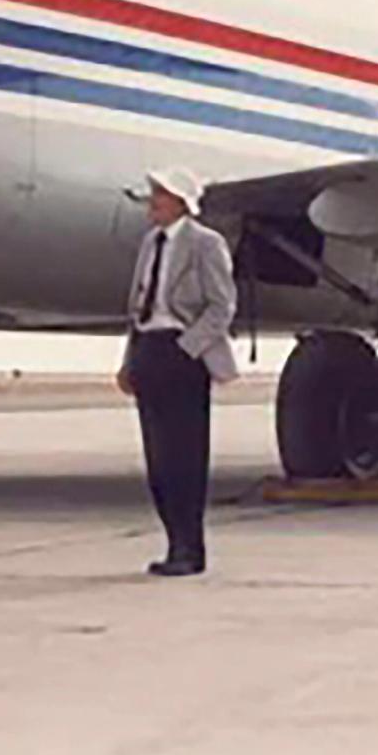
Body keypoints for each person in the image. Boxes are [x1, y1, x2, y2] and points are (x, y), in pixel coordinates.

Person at [117, 167, 238, 576]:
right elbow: (137, 308)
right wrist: (129, 361)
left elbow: (222, 306)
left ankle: (191, 548)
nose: (153, 201)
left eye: (161, 195)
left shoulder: (207, 244)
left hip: (184, 352)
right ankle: (173, 544)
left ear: (181, 202)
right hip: (150, 349)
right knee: (158, 456)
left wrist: (188, 349)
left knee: (185, 455)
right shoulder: (150, 244)